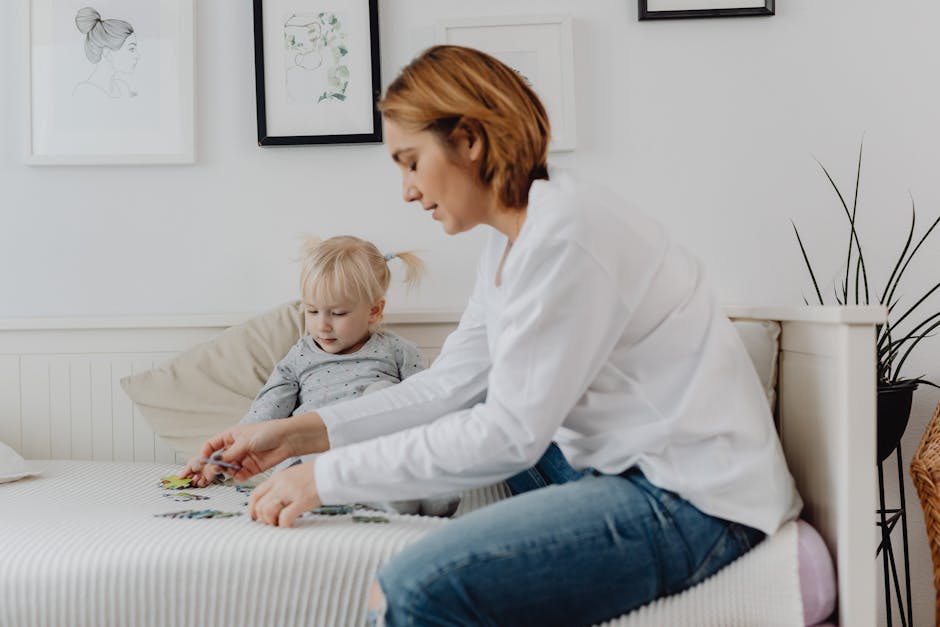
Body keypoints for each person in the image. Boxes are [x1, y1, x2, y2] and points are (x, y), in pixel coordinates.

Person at [182, 45, 802, 626]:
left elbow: (507, 434)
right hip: (624, 471)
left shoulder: (567, 235)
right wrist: (295, 432)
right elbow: (449, 386)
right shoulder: (511, 243)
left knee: (415, 586)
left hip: (695, 500)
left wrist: (322, 477)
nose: (407, 190)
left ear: (470, 141)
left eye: (411, 162)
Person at [185, 235, 459, 516]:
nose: (322, 325)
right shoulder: (299, 356)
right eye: (312, 311)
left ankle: (400, 487)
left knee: (384, 396)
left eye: (338, 313)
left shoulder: (399, 351)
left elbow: (424, 411)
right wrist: (217, 462)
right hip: (313, 451)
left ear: (374, 310)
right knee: (297, 454)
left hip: (375, 450)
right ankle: (380, 493)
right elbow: (263, 415)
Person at [73, 8, 140, 99]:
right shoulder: (85, 93)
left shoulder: (122, 88)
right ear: (107, 52)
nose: (137, 56)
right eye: (131, 49)